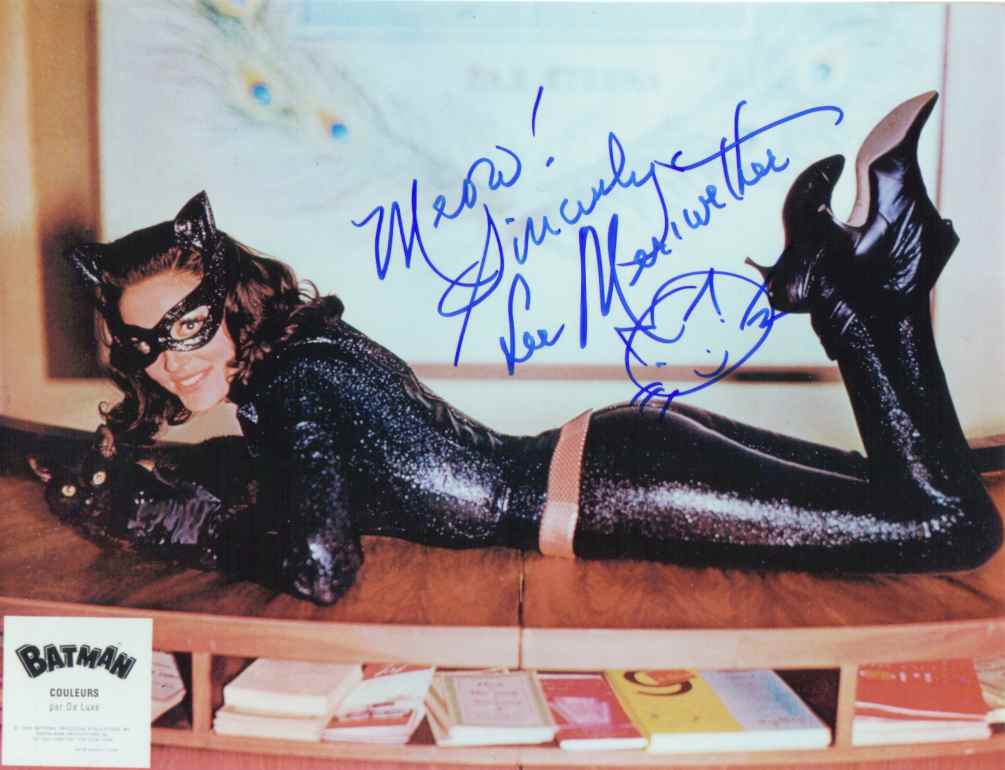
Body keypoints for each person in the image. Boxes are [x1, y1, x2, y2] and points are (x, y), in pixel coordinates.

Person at [66, 91, 1002, 605]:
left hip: (609, 484)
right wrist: (144, 476)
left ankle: (868, 291)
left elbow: (319, 564)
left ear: (229, 300)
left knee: (946, 527)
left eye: (187, 326)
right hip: (613, 460)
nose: (169, 360)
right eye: (143, 344)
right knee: (906, 494)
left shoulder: (287, 389)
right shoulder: (297, 359)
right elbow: (283, 481)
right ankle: (848, 284)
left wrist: (179, 524)